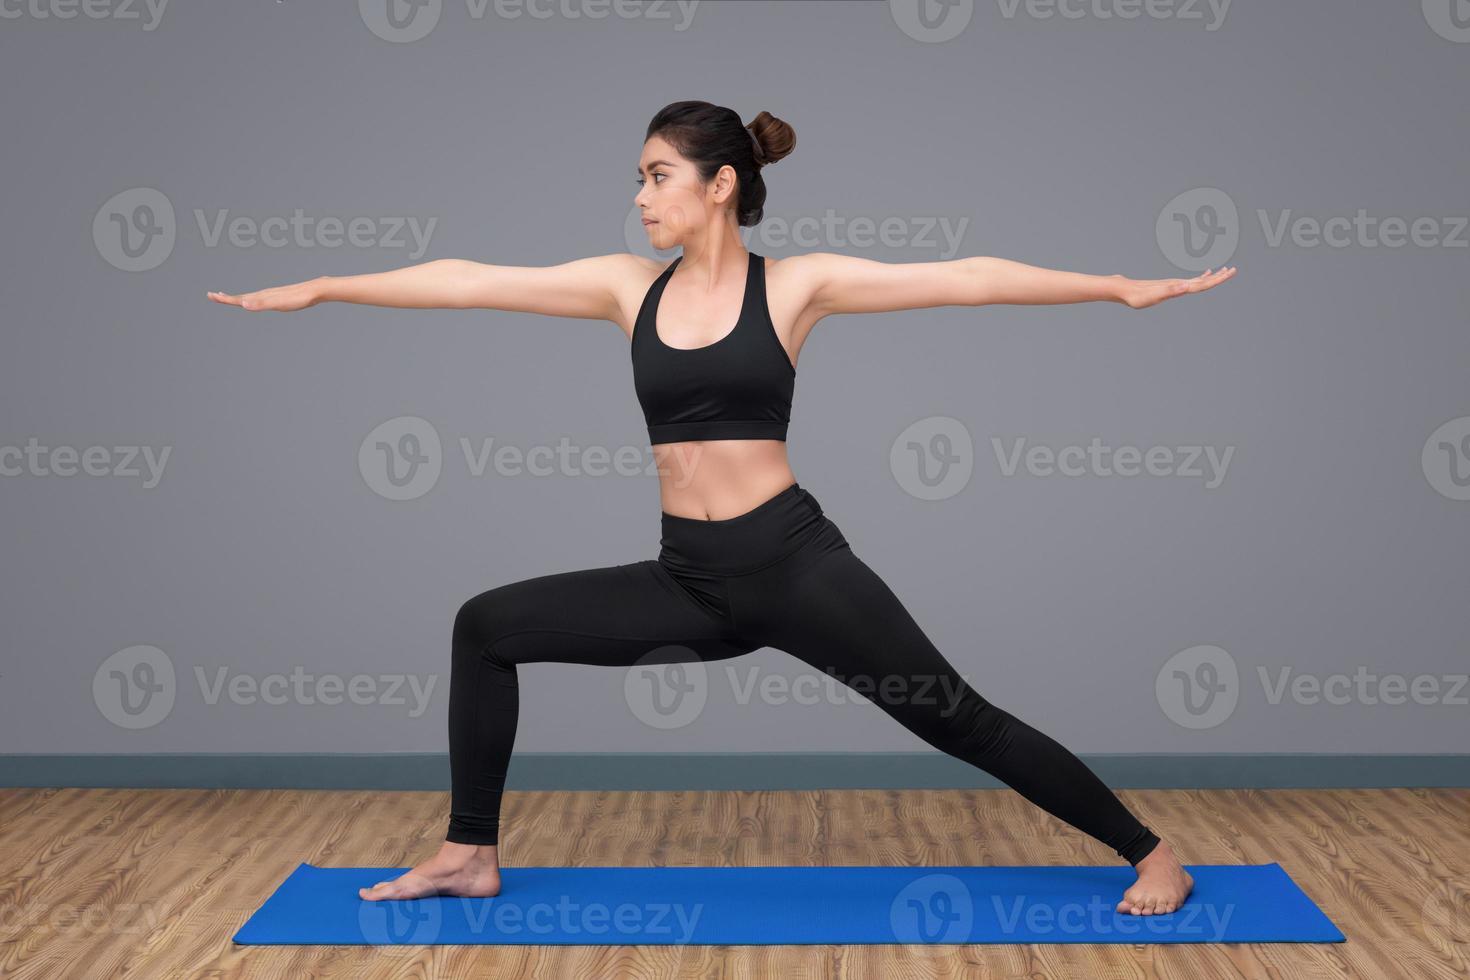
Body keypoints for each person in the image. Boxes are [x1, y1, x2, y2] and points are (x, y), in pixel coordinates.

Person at [209, 100, 1233, 916]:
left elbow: (963, 276)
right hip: (688, 581)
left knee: (954, 715)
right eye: (640, 179)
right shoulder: (625, 288)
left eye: (658, 176)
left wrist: (1118, 287)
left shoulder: (796, 287)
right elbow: (471, 278)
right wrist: (326, 284)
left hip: (793, 568)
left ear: (721, 184)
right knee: (486, 625)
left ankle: (1154, 852)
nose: (642, 197)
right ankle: (469, 851)